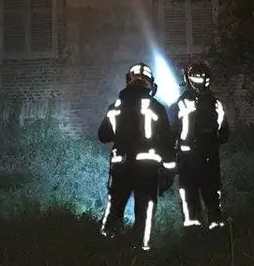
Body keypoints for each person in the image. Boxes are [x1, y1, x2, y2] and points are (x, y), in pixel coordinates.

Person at [97, 62, 177, 251]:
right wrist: (169, 169)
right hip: (147, 168)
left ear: (128, 82)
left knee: (115, 206)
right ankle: (141, 248)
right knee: (145, 210)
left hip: (120, 166)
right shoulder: (156, 107)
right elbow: (167, 141)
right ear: (150, 84)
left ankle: (108, 244)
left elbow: (103, 135)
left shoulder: (116, 106)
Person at [169, 61, 230, 231]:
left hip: (187, 160)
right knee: (212, 195)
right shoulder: (216, 104)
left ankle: (193, 230)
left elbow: (171, 132)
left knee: (189, 196)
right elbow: (224, 135)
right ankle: (217, 228)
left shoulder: (179, 104)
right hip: (210, 158)